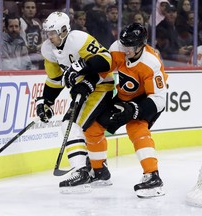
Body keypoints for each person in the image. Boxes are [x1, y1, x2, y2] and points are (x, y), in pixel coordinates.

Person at [35, 11, 115, 193]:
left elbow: (106, 60)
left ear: (64, 30)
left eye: (53, 32)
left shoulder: (78, 39)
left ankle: (81, 171)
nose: (49, 37)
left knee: (70, 124)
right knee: (85, 129)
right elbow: (55, 80)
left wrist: (81, 68)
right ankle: (100, 171)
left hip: (101, 88)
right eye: (47, 32)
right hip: (82, 91)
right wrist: (46, 101)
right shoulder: (48, 50)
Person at [96, 23, 168, 198]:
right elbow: (103, 71)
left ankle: (153, 176)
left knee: (136, 127)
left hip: (147, 99)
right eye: (124, 44)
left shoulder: (151, 62)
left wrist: (135, 110)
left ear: (141, 45)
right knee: (95, 123)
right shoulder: (117, 48)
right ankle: (98, 171)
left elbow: (159, 99)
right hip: (124, 96)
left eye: (131, 46)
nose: (126, 49)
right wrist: (87, 82)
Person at [20, 0, 44, 69]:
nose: (31, 10)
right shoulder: (19, 23)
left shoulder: (37, 24)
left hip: (35, 58)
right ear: (22, 9)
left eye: (33, 8)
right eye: (28, 7)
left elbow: (40, 42)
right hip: (22, 59)